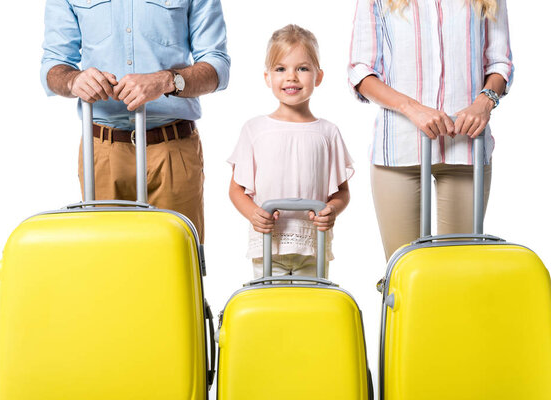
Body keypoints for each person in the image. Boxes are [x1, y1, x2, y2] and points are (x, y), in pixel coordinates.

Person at [40, 0, 231, 243]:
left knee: (176, 259)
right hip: (102, 150)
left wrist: (167, 80)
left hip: (173, 147)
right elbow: (53, 63)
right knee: (107, 263)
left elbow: (218, 66)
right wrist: (73, 80)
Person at [348, 0, 513, 259]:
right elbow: (361, 72)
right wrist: (413, 108)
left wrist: (484, 101)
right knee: (403, 270)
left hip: (466, 147)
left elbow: (499, 62)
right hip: (400, 149)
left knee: (459, 270)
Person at [228, 25, 354, 279]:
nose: (291, 77)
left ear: (318, 76)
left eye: (302, 68)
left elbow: (341, 192)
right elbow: (236, 189)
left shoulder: (328, 132)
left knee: (311, 308)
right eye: (281, 69)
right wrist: (254, 214)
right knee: (270, 308)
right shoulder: (254, 129)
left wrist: (332, 211)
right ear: (267, 77)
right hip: (267, 245)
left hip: (312, 247)